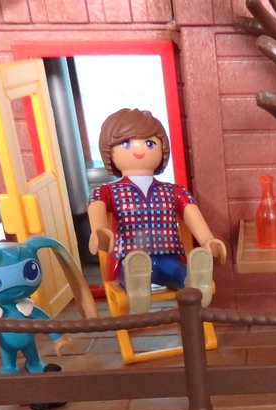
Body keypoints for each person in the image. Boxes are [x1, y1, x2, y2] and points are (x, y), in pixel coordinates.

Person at [87, 108, 226, 313]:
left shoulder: (173, 190)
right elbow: (96, 203)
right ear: (109, 153)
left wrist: (207, 240)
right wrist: (99, 230)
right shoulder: (108, 191)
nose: (140, 150)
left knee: (179, 272)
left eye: (150, 143)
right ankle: (137, 287)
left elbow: (191, 211)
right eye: (126, 144)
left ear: (163, 149)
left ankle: (195, 282)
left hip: (168, 257)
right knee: (133, 267)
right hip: (129, 257)